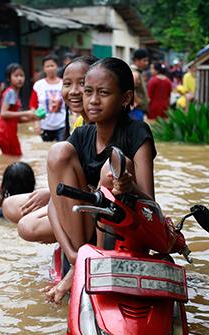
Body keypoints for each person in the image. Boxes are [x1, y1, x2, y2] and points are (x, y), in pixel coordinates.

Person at [46, 57, 157, 303]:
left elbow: (151, 205)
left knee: (115, 165)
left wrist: (130, 186)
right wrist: (73, 257)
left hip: (122, 235)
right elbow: (55, 203)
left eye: (103, 93)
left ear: (126, 98)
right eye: (89, 92)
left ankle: (92, 264)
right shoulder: (81, 134)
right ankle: (82, 264)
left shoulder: (138, 132)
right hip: (82, 240)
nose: (93, 100)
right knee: (57, 152)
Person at [3, 55, 99, 244]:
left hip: (89, 205)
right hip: (72, 195)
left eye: (82, 84)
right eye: (68, 84)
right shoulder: (79, 122)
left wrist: (52, 194)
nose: (74, 91)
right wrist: (51, 192)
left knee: (27, 226)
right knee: (9, 205)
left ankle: (71, 239)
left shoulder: (103, 126)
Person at [0, 63, 39, 156]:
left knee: (12, 158)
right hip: (5, 133)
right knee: (16, 157)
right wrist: (27, 112)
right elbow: (3, 114)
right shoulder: (11, 92)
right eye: (16, 76)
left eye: (22, 75)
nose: (20, 78)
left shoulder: (14, 93)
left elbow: (17, 119)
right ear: (8, 78)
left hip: (7, 132)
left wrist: (34, 118)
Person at [30, 55, 66, 141]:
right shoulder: (38, 85)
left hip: (62, 125)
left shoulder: (64, 84)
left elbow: (70, 104)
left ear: (57, 66)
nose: (50, 68)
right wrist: (36, 123)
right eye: (47, 66)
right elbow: (33, 106)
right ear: (44, 68)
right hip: (44, 125)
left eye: (52, 65)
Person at [130, 48, 150, 121]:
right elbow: (130, 88)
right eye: (144, 61)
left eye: (147, 60)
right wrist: (138, 101)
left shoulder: (138, 72)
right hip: (136, 111)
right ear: (136, 60)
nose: (146, 63)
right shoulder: (135, 73)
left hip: (138, 110)